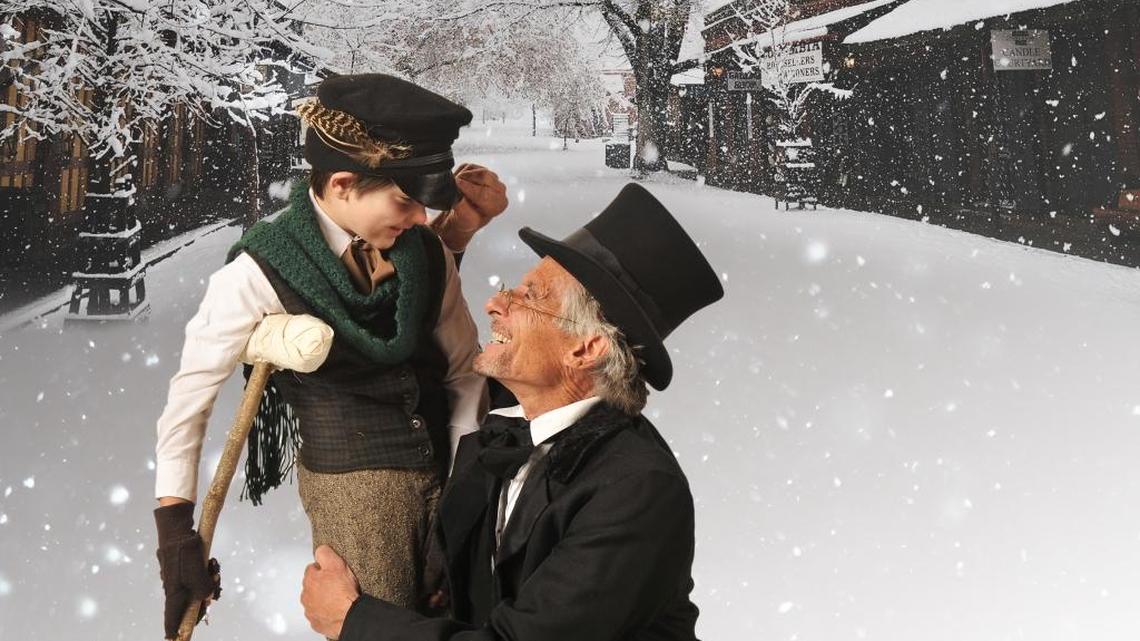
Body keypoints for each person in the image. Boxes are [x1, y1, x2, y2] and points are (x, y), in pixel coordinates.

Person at [153, 73, 507, 640]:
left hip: (451, 472)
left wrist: (459, 498)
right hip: (355, 494)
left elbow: (463, 374)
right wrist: (175, 536)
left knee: (467, 624)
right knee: (371, 629)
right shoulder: (256, 270)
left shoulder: (428, 253)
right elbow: (188, 402)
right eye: (406, 200)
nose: (421, 218)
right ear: (342, 183)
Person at [300, 182, 724, 640]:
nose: (495, 303)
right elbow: (414, 344)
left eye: (530, 297)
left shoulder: (637, 490)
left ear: (586, 349)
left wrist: (354, 620)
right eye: (511, 290)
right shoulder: (505, 419)